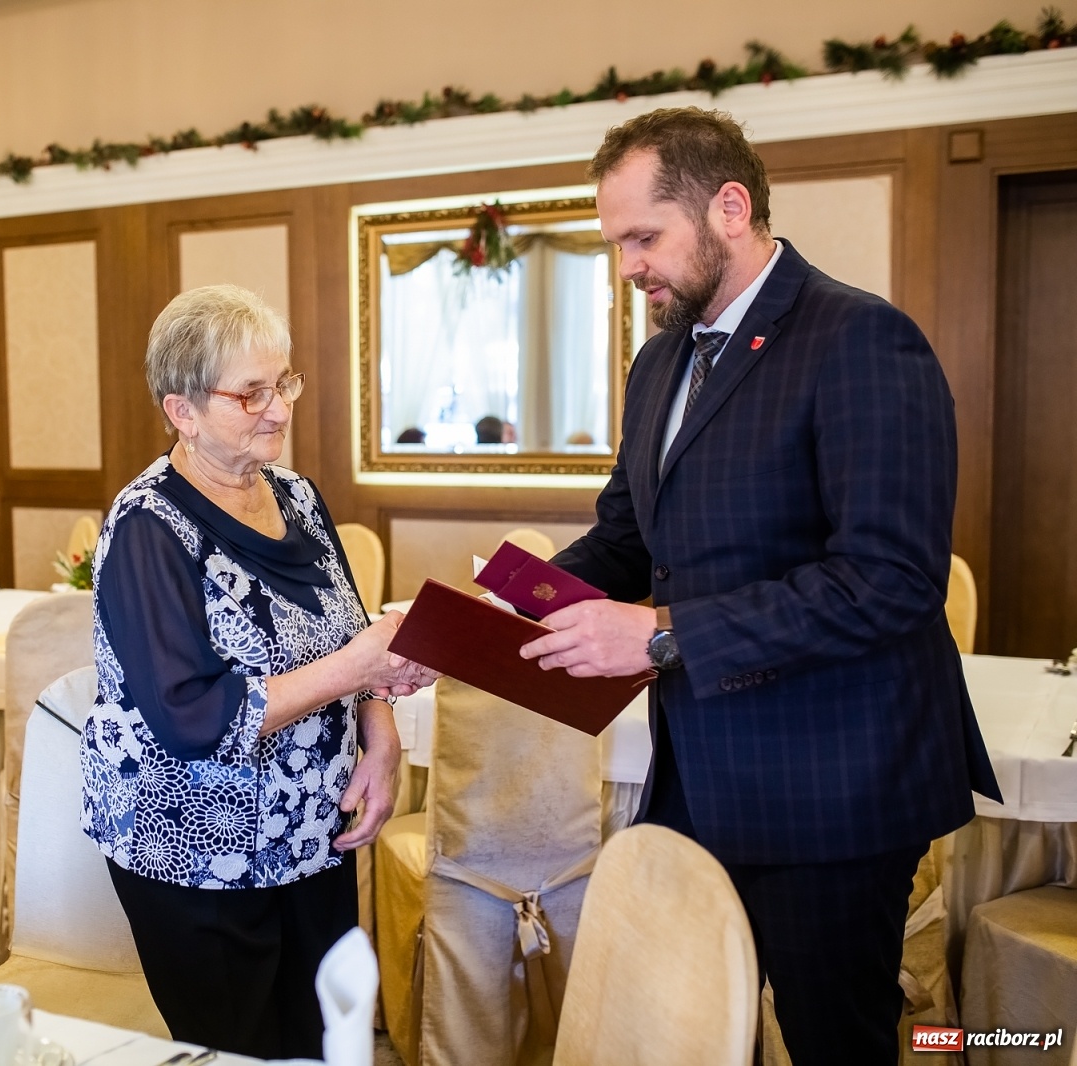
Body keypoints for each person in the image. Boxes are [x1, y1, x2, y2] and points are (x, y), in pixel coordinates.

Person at [520, 108, 999, 1065]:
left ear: (730, 208)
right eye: (616, 243)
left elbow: (890, 582)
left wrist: (660, 636)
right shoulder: (660, 359)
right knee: (695, 1030)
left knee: (834, 1039)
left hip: (834, 782)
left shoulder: (864, 339)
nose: (627, 267)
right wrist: (507, 602)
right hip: (699, 772)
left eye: (642, 238)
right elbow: (625, 536)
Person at [83, 285, 436, 1059]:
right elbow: (193, 717)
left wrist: (380, 738)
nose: (278, 408)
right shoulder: (148, 528)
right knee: (239, 1051)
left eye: (284, 383)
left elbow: (350, 632)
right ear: (183, 411)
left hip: (312, 838)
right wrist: (356, 666)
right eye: (251, 393)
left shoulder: (298, 498)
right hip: (196, 853)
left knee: (320, 1043)